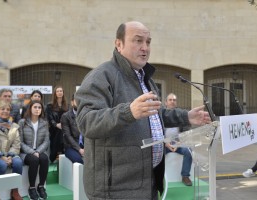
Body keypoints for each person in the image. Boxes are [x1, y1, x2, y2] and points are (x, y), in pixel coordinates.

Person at [75, 21, 211, 200]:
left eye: (148, 42)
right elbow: (86, 122)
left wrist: (186, 116)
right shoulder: (101, 76)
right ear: (119, 44)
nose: (145, 48)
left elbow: (156, 114)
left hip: (148, 184)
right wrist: (128, 112)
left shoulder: (145, 78)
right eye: (138, 41)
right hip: (115, 190)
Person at [18, 100, 49, 200]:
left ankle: (41, 186)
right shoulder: (22, 122)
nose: (37, 109)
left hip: (39, 151)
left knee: (45, 159)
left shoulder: (44, 123)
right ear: (30, 108)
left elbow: (46, 141)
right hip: (26, 152)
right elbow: (20, 142)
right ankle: (31, 188)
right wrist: (32, 152)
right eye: (35, 107)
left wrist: (38, 151)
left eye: (39, 107)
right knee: (34, 160)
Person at [0, 101, 23, 200]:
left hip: (10, 155)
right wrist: (1, 155)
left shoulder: (13, 126)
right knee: (1, 165)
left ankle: (15, 191)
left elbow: (16, 144)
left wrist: (11, 155)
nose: (5, 111)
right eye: (2, 109)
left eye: (8, 109)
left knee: (18, 162)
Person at [164, 93, 193, 186]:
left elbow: (186, 129)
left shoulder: (180, 114)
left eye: (174, 100)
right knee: (156, 154)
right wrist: (165, 142)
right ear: (166, 102)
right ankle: (158, 177)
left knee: (189, 152)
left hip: (178, 143)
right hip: (163, 144)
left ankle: (185, 176)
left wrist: (179, 143)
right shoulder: (161, 114)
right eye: (170, 100)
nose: (172, 101)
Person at [45, 85, 68, 162]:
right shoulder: (49, 105)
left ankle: (60, 155)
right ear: (55, 93)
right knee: (58, 134)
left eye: (61, 91)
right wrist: (56, 125)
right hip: (54, 129)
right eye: (57, 91)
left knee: (62, 133)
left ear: (63, 93)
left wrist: (63, 125)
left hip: (64, 129)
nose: (59, 93)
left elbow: (68, 118)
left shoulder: (67, 106)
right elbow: (49, 118)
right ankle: (56, 155)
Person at [61, 94, 84, 164]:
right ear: (72, 102)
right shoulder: (65, 116)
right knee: (78, 160)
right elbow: (67, 136)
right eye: (77, 100)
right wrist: (79, 149)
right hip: (70, 147)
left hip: (85, 145)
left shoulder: (86, 115)